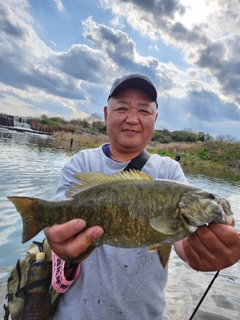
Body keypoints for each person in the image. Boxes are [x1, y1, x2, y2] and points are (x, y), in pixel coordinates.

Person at [45, 74, 240, 320]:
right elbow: (59, 222)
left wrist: (203, 250)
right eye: (122, 108)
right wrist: (58, 239)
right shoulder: (82, 163)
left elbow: (181, 242)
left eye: (144, 111)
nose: (132, 118)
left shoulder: (169, 172)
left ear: (155, 119)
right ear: (106, 114)